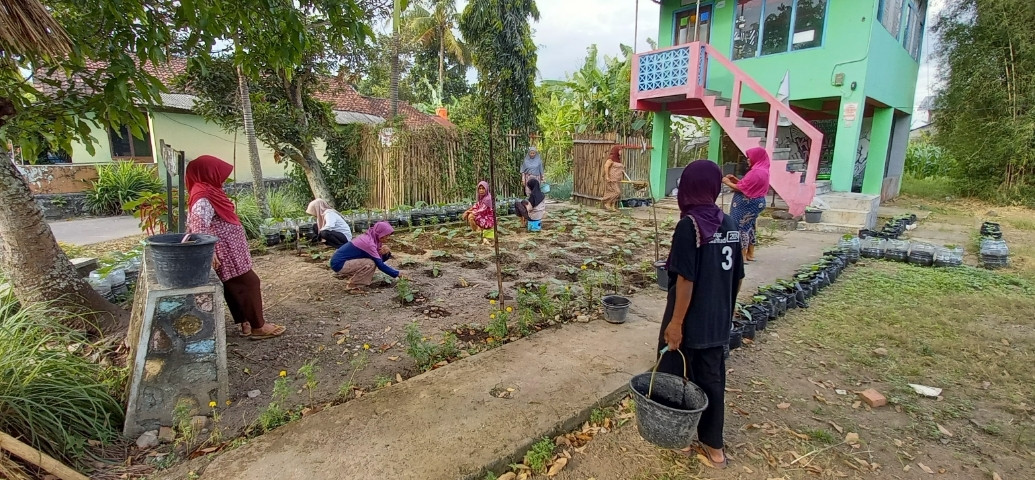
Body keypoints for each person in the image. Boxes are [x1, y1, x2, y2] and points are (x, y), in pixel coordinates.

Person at [658, 160, 744, 469]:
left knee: (673, 375)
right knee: (712, 381)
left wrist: (676, 323)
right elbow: (737, 276)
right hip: (717, 320)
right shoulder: (730, 223)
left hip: (690, 319)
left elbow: (685, 279)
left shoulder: (689, 225)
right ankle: (714, 448)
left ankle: (676, 436)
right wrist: (727, 316)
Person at [185, 155, 286, 340]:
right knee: (250, 283)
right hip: (225, 252)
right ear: (208, 173)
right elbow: (199, 226)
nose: (222, 178)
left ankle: (245, 322)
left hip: (231, 250)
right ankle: (259, 327)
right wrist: (211, 252)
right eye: (219, 173)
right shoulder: (203, 196)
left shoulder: (209, 191)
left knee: (233, 286)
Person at [722, 147, 771, 262]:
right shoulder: (763, 170)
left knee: (740, 227)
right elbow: (748, 186)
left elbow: (742, 189)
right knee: (750, 227)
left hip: (746, 204)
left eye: (749, 157)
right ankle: (750, 254)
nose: (748, 160)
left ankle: (742, 256)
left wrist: (727, 182)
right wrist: (734, 179)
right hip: (756, 202)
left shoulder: (755, 172)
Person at [329, 222, 404, 292]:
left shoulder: (373, 238)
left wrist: (386, 253)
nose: (388, 237)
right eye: (386, 235)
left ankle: (352, 278)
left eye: (389, 235)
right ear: (380, 233)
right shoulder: (369, 243)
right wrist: (398, 274)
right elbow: (380, 265)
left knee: (371, 262)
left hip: (344, 261)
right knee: (370, 263)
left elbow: (380, 259)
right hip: (339, 264)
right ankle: (354, 286)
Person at [462, 181, 496, 245]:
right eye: (479, 189)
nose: (481, 190)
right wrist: (467, 211)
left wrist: (468, 212)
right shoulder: (481, 197)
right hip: (483, 216)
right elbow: (476, 206)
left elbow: (481, 210)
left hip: (488, 219)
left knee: (471, 216)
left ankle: (478, 232)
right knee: (471, 215)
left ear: (486, 189)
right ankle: (480, 234)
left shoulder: (487, 199)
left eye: (483, 189)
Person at [601, 145, 625, 211]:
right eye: (620, 150)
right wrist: (607, 176)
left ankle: (613, 206)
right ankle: (607, 203)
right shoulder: (611, 158)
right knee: (617, 192)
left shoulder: (618, 159)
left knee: (616, 194)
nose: (621, 152)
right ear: (616, 150)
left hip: (617, 179)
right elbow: (606, 166)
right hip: (612, 179)